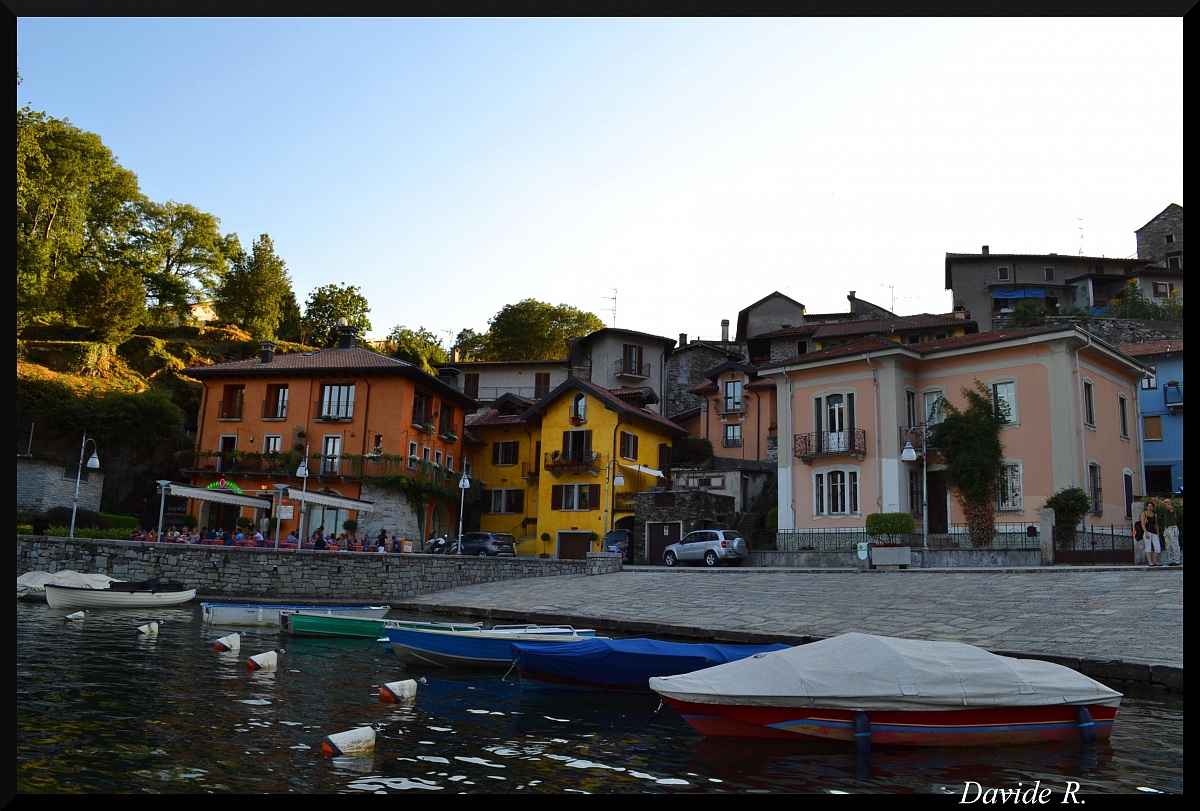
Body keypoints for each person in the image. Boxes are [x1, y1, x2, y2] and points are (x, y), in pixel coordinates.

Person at [1159, 498, 1181, 567]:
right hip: (1167, 529)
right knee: (1168, 545)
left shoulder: (1171, 509)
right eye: (1165, 502)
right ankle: (1171, 560)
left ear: (1170, 503)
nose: (1165, 503)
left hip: (1172, 528)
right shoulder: (1167, 513)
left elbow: (1164, 505)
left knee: (1175, 545)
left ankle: (1177, 560)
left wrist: (1157, 500)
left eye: (1167, 502)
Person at [1141, 501, 1161, 567]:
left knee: (1157, 547)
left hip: (1154, 532)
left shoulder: (1154, 515)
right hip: (1147, 531)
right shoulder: (1144, 514)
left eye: (1151, 506)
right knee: (1148, 547)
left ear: (1153, 507)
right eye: (1148, 506)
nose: (1150, 507)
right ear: (1146, 507)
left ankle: (1155, 561)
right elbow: (1142, 524)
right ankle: (1150, 561)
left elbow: (1156, 524)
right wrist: (1146, 532)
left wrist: (1158, 533)